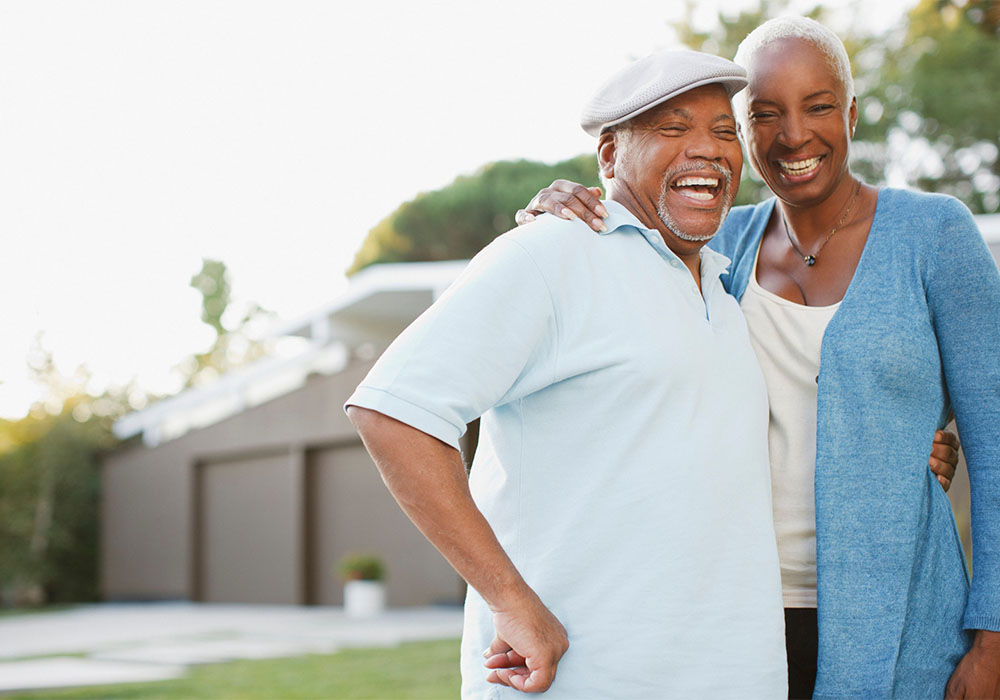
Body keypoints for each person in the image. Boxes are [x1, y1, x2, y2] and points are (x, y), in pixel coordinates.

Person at [516, 16, 1000, 699]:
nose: (794, 134)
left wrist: (994, 640)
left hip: (903, 622)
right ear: (743, 130)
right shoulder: (712, 250)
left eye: (819, 106)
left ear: (852, 112)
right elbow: (623, 277)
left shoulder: (935, 234)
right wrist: (555, 204)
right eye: (765, 113)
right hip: (732, 617)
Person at [346, 50, 791, 697]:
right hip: (581, 680)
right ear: (609, 158)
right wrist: (507, 598)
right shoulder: (553, 252)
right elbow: (394, 411)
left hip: (731, 676)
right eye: (672, 128)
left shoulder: (727, 288)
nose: (709, 150)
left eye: (725, 132)